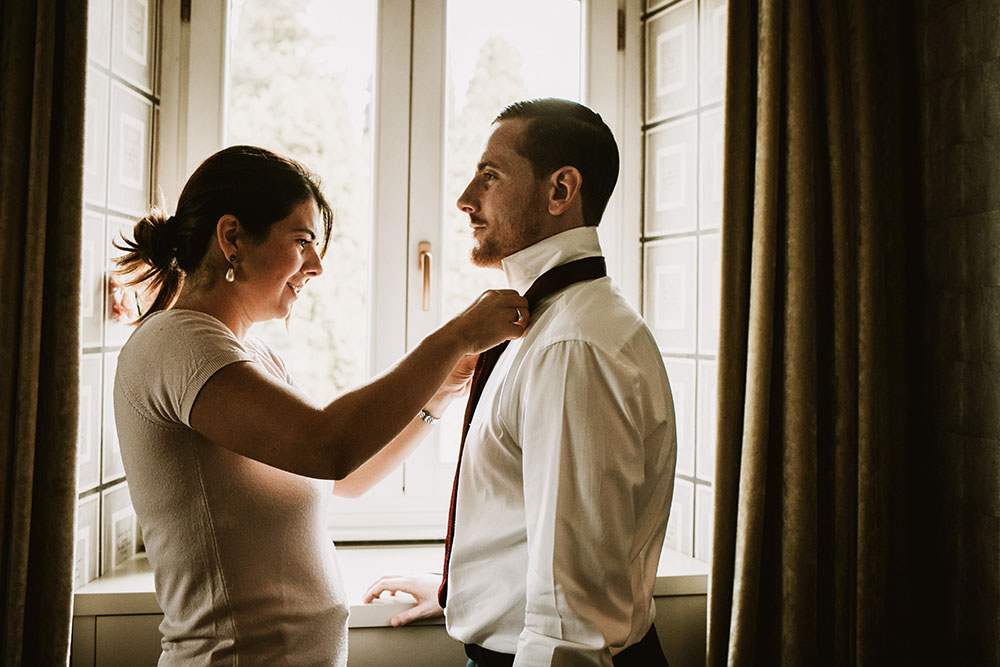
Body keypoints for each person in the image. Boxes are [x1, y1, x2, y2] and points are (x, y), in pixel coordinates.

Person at [112, 145, 528, 666]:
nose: (317, 265)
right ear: (232, 238)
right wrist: (457, 335)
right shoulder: (179, 343)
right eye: (303, 241)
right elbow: (327, 445)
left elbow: (344, 476)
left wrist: (440, 393)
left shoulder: (249, 354)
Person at [364, 99, 677, 666]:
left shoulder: (571, 346)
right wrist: (469, 590)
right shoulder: (540, 325)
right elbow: (550, 530)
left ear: (560, 191)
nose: (464, 199)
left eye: (489, 177)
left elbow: (572, 622)